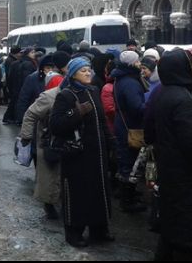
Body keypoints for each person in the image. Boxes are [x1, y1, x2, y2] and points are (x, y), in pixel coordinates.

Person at [152, 49, 192, 260]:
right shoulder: (182, 98)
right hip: (185, 171)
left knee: (172, 220)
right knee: (186, 222)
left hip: (169, 166)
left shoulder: (162, 93)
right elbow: (191, 141)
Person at [49, 58, 115, 248]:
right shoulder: (67, 95)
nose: (88, 73)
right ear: (73, 74)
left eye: (89, 70)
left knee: (99, 190)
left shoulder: (93, 91)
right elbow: (56, 125)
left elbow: (101, 121)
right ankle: (74, 232)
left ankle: (99, 229)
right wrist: (75, 113)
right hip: (77, 153)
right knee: (78, 193)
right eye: (83, 70)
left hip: (97, 151)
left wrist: (110, 142)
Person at [20, 70, 65, 220]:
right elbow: (30, 113)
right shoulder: (49, 96)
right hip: (48, 140)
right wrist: (26, 136)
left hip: (65, 140)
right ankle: (49, 204)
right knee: (49, 175)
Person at [111, 50, 147, 213]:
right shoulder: (130, 82)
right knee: (130, 162)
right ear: (132, 63)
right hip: (130, 127)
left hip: (123, 124)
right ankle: (127, 200)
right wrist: (150, 103)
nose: (140, 63)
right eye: (138, 61)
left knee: (127, 160)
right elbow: (137, 107)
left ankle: (127, 194)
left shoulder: (121, 78)